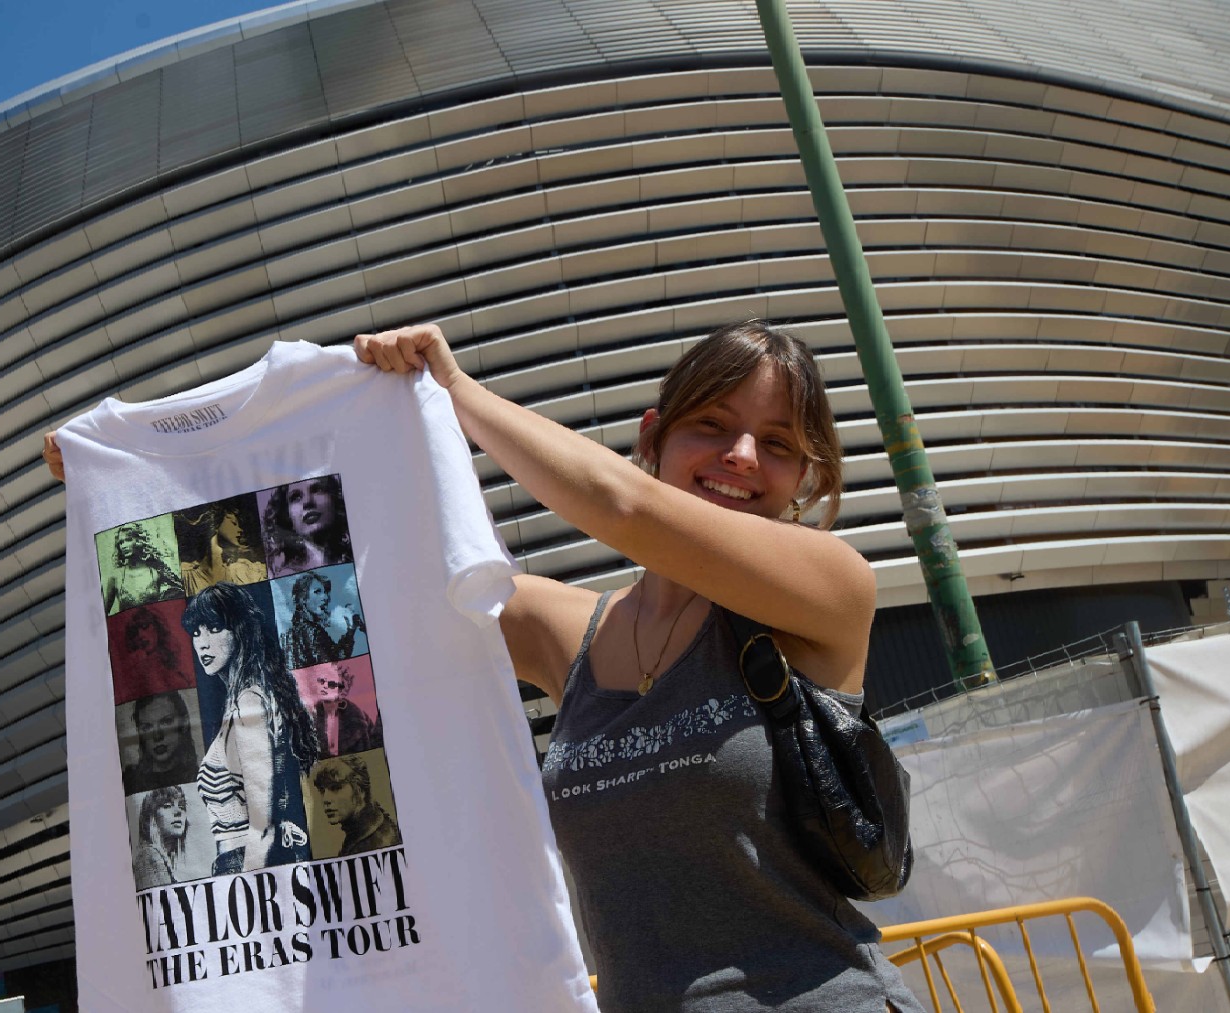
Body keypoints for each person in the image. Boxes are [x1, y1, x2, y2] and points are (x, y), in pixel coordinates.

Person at [352, 320, 922, 1012]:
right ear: (653, 437)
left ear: (803, 477)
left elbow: (624, 506)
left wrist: (453, 389)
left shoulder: (830, 588)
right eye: (712, 425)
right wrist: (370, 406)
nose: (741, 455)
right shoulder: (572, 632)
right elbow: (383, 602)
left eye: (777, 443)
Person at [182, 582, 320, 875]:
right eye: (196, 632)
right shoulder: (249, 698)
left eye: (215, 628)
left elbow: (262, 824)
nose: (203, 643)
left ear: (240, 630)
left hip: (245, 865)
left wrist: (248, 888)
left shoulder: (248, 702)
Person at [311, 755, 401, 856]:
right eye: (322, 790)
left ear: (360, 790)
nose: (326, 799)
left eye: (335, 788)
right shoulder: (365, 833)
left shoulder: (378, 843)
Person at [262, 475, 352, 576]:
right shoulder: (281, 577)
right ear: (287, 517)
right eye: (295, 497)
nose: (307, 501)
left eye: (317, 489)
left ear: (335, 499)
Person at [281, 571, 365, 670]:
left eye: (325, 592)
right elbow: (334, 664)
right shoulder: (311, 631)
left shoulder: (290, 633)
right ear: (302, 598)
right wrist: (350, 632)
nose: (325, 597)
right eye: (317, 591)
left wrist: (351, 629)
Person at [180, 501, 267, 594]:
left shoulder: (245, 571)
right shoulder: (185, 576)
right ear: (217, 521)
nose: (240, 530)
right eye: (234, 523)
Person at [120, 693, 198, 794]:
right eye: (147, 727)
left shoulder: (203, 777)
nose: (157, 736)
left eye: (166, 722)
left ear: (184, 723)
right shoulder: (127, 782)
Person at [102, 521, 183, 614]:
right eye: (120, 543)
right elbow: (104, 614)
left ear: (139, 541)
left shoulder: (155, 570)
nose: (123, 546)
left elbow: (180, 590)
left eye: (128, 540)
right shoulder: (116, 577)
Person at [131, 786, 204, 887]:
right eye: (167, 806)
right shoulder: (149, 855)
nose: (178, 812)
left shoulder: (163, 858)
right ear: (151, 816)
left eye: (182, 807)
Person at [308, 661, 381, 757]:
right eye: (321, 682)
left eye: (331, 684)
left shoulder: (359, 718)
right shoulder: (307, 719)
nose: (324, 687)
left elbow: (375, 751)